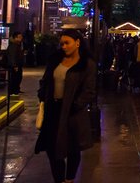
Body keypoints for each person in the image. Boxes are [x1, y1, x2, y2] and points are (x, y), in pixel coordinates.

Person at [34, 29, 96, 183]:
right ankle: (59, 178)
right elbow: (46, 79)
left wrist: (77, 104)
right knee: (52, 147)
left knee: (73, 147)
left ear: (77, 43)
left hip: (72, 112)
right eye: (61, 43)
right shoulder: (55, 60)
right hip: (53, 109)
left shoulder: (86, 64)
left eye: (67, 43)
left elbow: (90, 89)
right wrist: (42, 93)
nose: (63, 46)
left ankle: (69, 178)